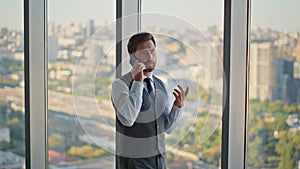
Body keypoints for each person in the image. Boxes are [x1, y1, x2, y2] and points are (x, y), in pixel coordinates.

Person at [111, 32, 189, 169]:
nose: (150, 56)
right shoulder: (120, 85)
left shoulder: (162, 85)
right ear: (132, 57)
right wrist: (137, 82)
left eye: (152, 51)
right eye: (144, 53)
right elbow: (128, 119)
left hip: (160, 162)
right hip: (133, 163)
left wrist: (178, 106)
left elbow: (168, 128)